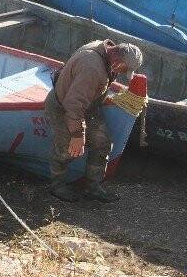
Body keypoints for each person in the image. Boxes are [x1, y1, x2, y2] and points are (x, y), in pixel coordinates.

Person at [44, 39, 143, 203]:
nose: (121, 73)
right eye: (123, 69)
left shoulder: (102, 47)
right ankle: (57, 186)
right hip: (63, 108)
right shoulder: (92, 68)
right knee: (67, 149)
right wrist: (77, 135)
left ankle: (93, 187)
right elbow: (73, 105)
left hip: (89, 107)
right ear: (117, 61)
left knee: (103, 142)